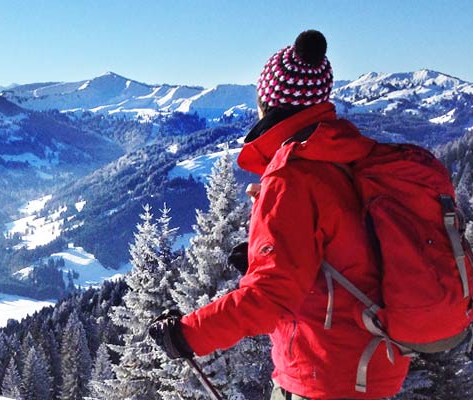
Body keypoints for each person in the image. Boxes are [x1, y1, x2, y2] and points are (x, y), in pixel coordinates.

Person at [149, 30, 411, 399]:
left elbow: (269, 300)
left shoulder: (294, 176)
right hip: (373, 364)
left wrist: (185, 334)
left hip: (324, 374)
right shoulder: (349, 157)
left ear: (266, 102)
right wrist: (270, 253)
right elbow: (350, 254)